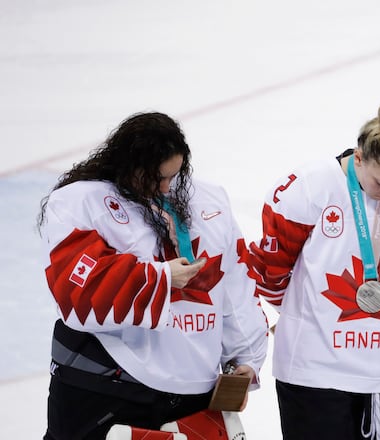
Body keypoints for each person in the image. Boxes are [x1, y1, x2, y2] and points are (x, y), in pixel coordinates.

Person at [38, 112, 269, 440]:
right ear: (127, 163)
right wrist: (160, 278)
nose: (164, 187)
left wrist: (245, 357)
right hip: (108, 387)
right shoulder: (80, 201)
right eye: (154, 177)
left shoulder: (210, 200)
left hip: (192, 394)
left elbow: (234, 285)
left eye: (172, 175)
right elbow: (76, 294)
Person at [246, 102, 380, 440]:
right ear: (359, 157)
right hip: (316, 374)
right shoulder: (308, 188)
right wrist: (301, 312)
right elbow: (270, 272)